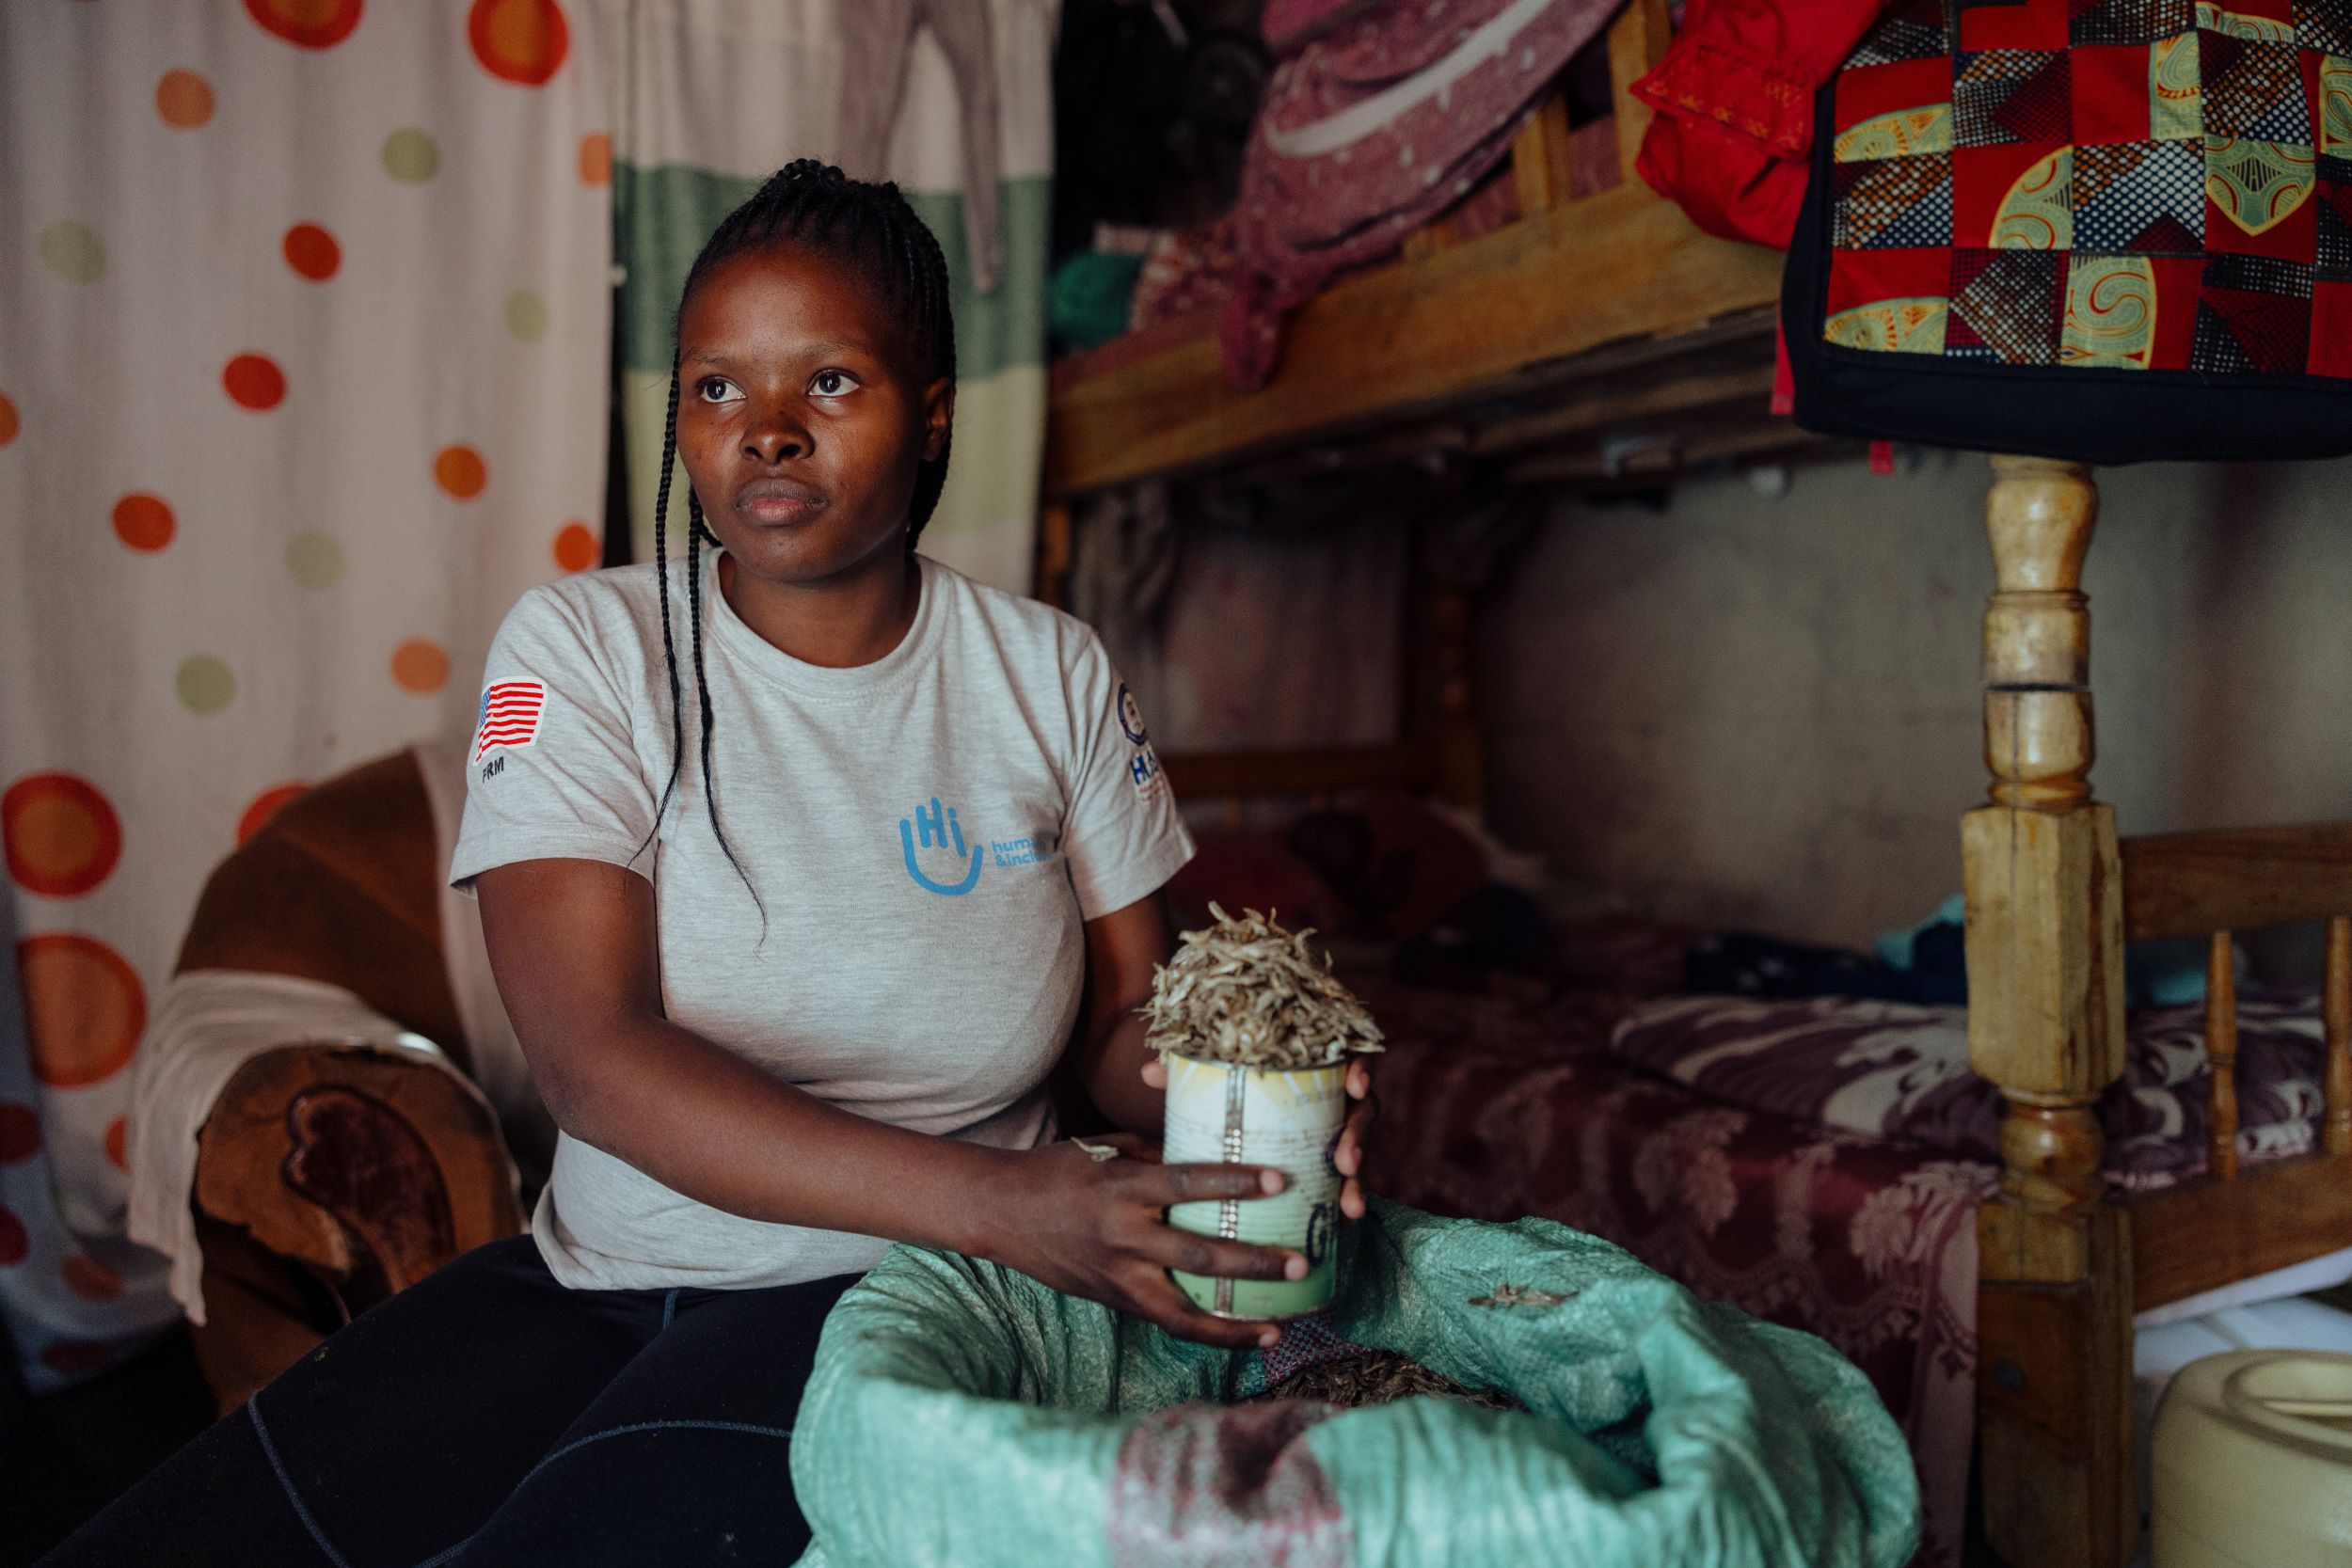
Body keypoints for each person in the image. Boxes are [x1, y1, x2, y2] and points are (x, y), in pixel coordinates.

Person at [45, 161, 1375, 1567]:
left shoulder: (1044, 671)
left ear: (933, 421)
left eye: (832, 384)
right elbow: (593, 1063)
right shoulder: (585, 650)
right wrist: (1011, 1203)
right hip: (602, 1282)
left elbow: (1126, 1025)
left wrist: (1242, 1101)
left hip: (908, 1296)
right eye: (718, 389)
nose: (769, 434)